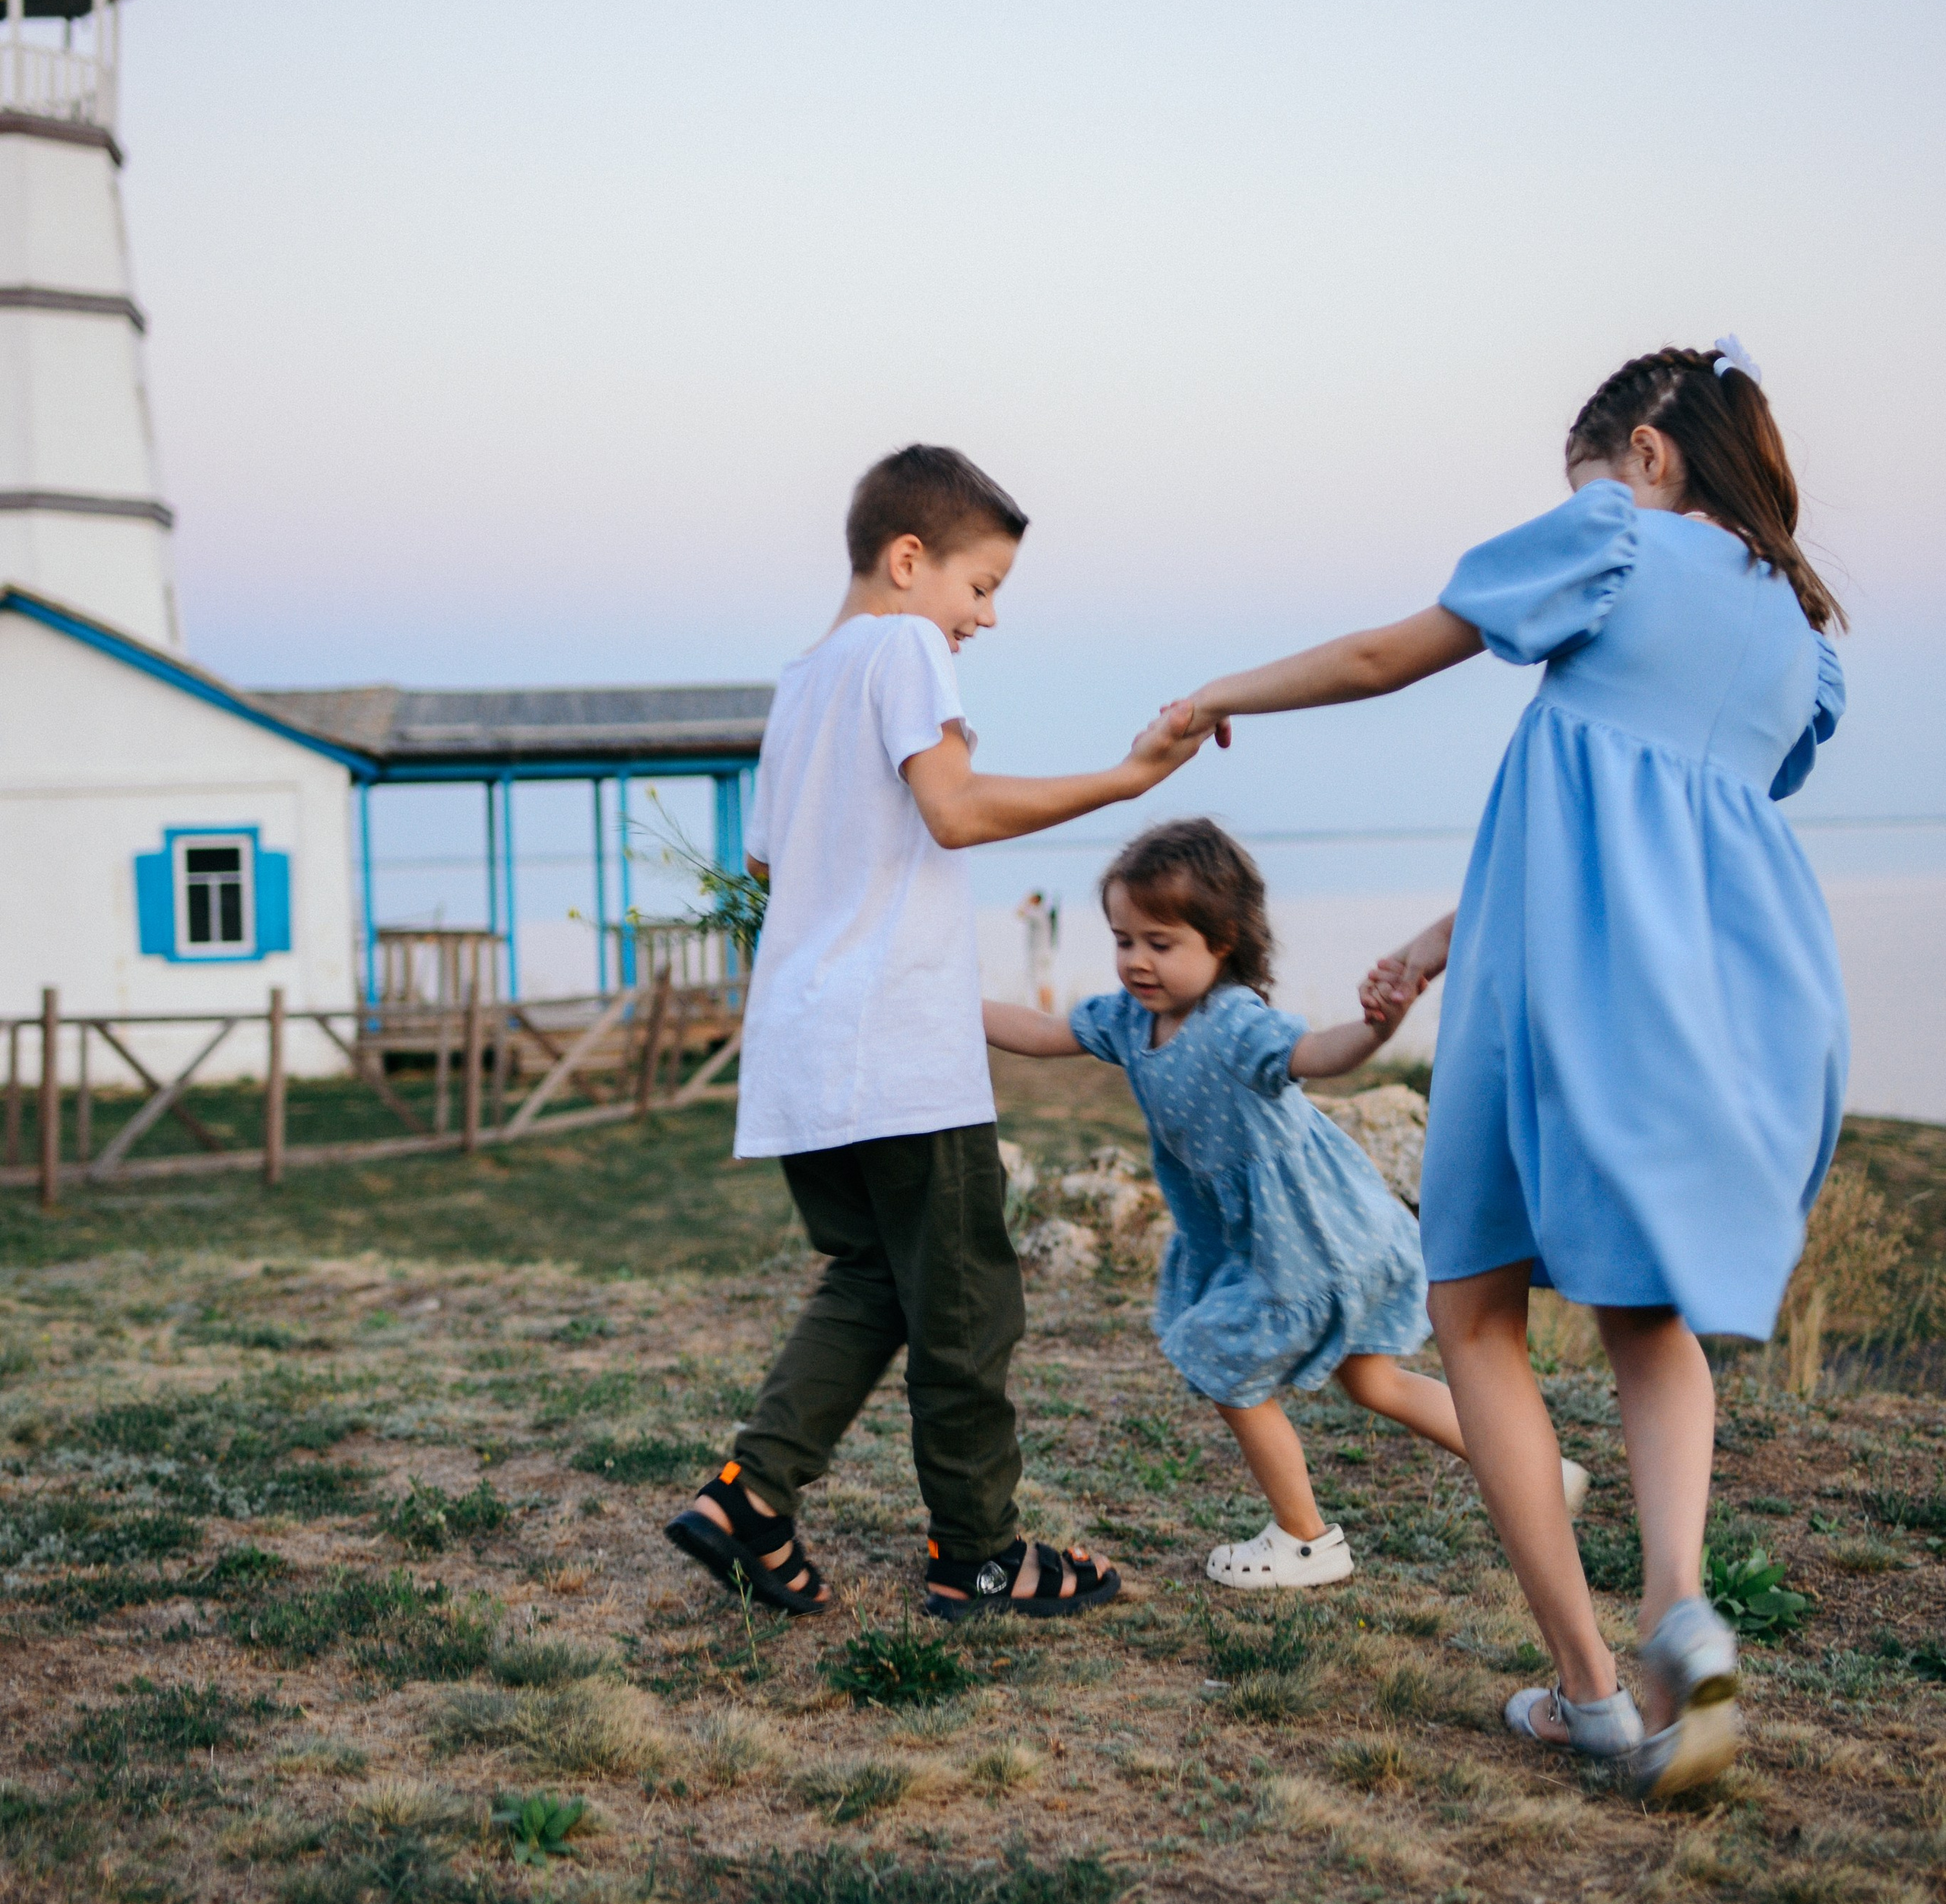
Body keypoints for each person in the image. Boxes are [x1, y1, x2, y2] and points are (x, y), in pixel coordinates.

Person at [1183, 341, 1848, 1797]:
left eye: (1595, 476)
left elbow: (1386, 658)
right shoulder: (1801, 633)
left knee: (1475, 1310)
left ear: (1650, 453)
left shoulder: (1619, 536)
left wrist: (1216, 694)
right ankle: (1682, 1610)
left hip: (1560, 987)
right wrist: (1430, 936)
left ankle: (1590, 1692)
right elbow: (1649, 817)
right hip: (1733, 996)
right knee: (1644, 1312)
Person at [667, 442, 1207, 1623]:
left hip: (804, 1043)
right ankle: (979, 1550)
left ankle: (746, 1498)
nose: (989, 614)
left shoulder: (804, 678)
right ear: (910, 561)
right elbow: (953, 809)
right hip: (897, 1049)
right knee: (967, 1301)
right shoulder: (903, 644)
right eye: (981, 585)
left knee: (874, 1274)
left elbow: (765, 860)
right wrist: (1124, 780)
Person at [983, 819, 1587, 1586]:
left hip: (1303, 1236)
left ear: (1223, 941)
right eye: (1123, 938)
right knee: (1372, 1381)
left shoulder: (1235, 1024)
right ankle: (1538, 1470)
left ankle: (1305, 1539)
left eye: (1160, 943)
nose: (1137, 960)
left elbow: (1320, 1055)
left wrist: (1381, 1024)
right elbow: (1038, 1029)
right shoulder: (1128, 1020)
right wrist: (948, 1006)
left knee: (1223, 1362)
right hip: (1303, 1234)